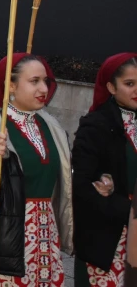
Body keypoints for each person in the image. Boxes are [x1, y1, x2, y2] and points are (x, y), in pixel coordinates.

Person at [0, 53, 72, 286]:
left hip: (44, 235)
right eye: (34, 81)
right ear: (11, 85)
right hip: (6, 235)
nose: (43, 88)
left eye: (46, 81)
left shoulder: (51, 126)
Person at [72, 52, 137, 285]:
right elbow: (82, 185)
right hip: (109, 235)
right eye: (129, 84)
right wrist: (129, 212)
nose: (136, 90)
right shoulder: (95, 127)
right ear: (111, 87)